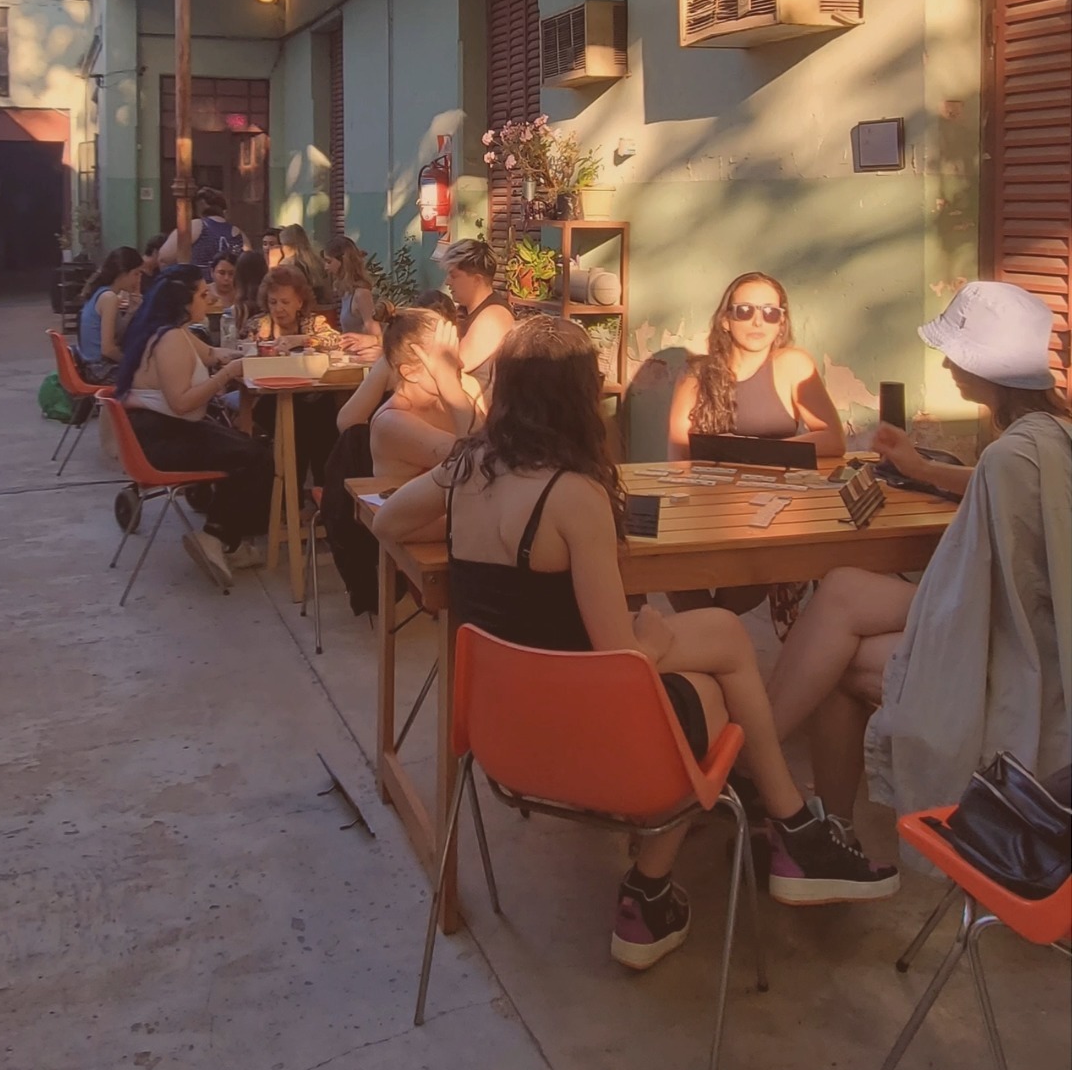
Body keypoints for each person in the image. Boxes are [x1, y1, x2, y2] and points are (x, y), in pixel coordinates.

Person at [377, 317, 898, 969]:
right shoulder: (575, 497)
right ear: (580, 398)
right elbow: (617, 656)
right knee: (713, 687)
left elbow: (390, 520)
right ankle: (681, 877)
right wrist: (649, 636)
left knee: (723, 636)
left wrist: (462, 526)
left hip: (499, 732)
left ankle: (788, 828)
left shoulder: (466, 469)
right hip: (588, 736)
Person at [765, 282, 1071, 834]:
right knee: (842, 586)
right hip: (1029, 622)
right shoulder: (1049, 436)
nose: (948, 365)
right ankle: (772, 778)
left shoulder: (1010, 457)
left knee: (837, 656)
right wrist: (923, 470)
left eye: (955, 354)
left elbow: (991, 599)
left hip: (1021, 651)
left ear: (986, 366)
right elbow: (995, 488)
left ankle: (780, 792)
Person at [668, 272, 845, 626]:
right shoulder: (695, 375)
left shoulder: (792, 363)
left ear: (781, 322)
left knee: (744, 587)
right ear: (725, 319)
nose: (757, 321)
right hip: (708, 507)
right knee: (671, 567)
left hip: (773, 511)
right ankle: (713, 635)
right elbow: (677, 454)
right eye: (745, 310)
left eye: (770, 312)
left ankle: (712, 635)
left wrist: (758, 451)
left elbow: (832, 439)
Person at [116, 266, 273, 585]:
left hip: (160, 430)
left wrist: (253, 353)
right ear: (184, 301)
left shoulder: (173, 331)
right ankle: (217, 536)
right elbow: (182, 403)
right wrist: (226, 375)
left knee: (247, 445)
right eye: (203, 294)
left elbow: (213, 353)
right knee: (255, 456)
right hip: (160, 438)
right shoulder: (171, 339)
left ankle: (230, 541)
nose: (211, 297)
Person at [320, 291, 459, 614]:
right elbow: (478, 457)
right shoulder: (395, 417)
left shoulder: (461, 389)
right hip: (419, 522)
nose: (458, 360)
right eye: (446, 352)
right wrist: (388, 361)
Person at [248, 264, 341, 495]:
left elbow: (335, 340)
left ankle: (315, 493)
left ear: (299, 302)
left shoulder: (313, 323)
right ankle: (298, 495)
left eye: (285, 302)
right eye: (273, 302)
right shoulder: (260, 325)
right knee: (305, 425)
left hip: (311, 398)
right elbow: (245, 351)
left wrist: (302, 340)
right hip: (271, 397)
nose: (278, 308)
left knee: (321, 418)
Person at [369, 303, 476, 484]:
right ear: (410, 373)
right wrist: (448, 381)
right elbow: (478, 461)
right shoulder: (391, 423)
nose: (461, 364)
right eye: (446, 360)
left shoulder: (457, 392)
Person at [437, 238, 514, 394]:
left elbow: (456, 365)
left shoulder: (494, 317)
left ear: (477, 279)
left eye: (454, 276)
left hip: (481, 402)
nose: (447, 282)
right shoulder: (465, 310)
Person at [77, 247, 144, 383]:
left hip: (92, 367)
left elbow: (116, 335)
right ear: (123, 274)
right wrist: (132, 362)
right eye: (136, 274)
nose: (138, 280)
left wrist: (131, 311)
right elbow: (108, 349)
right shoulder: (109, 298)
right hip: (100, 369)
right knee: (152, 378)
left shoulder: (102, 292)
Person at [157, 188, 247, 276]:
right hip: (231, 284)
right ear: (224, 211)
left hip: (199, 283)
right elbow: (248, 263)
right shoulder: (239, 234)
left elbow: (164, 257)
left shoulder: (194, 226)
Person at [324, 236, 381, 348]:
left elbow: (376, 335)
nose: (325, 267)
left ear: (343, 262)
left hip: (362, 354)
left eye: (329, 261)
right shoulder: (346, 291)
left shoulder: (361, 294)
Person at [278, 224, 332, 304]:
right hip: (321, 307)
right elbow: (328, 292)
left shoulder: (287, 264)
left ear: (288, 245)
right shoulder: (318, 261)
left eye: (282, 244)